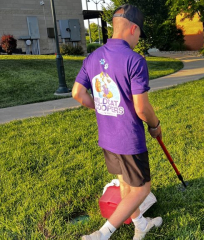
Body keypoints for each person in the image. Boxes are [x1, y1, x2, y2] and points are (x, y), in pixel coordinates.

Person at [72, 4, 162, 240]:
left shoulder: (92, 57)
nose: (138, 38)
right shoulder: (135, 60)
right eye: (139, 33)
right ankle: (102, 234)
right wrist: (155, 126)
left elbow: (77, 94)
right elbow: (142, 109)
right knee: (142, 188)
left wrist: (102, 107)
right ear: (133, 29)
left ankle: (140, 224)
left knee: (125, 184)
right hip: (129, 139)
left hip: (107, 138)